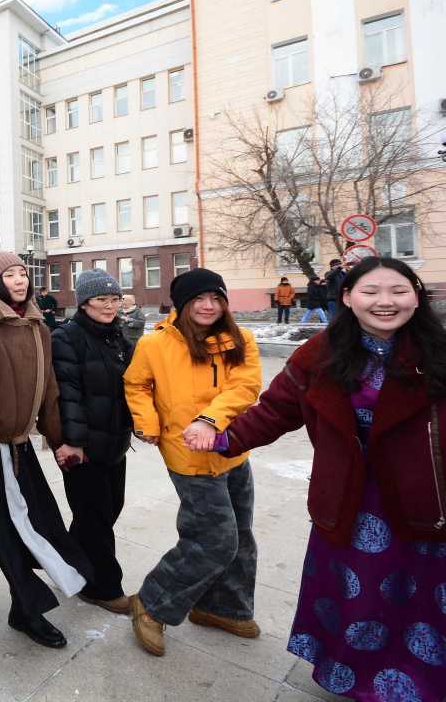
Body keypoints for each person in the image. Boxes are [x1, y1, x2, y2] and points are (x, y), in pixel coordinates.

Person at [190, 257, 446, 701]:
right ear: (347, 296)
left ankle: (421, 683)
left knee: (422, 600)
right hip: (349, 497)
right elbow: (275, 411)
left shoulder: (438, 352)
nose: (385, 302)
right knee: (358, 597)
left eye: (399, 291)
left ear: (416, 296)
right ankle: (356, 681)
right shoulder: (320, 355)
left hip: (425, 499)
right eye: (370, 291)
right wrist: (222, 438)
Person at [0, 251, 93, 650]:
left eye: (23, 273)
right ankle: (26, 609)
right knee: (17, 525)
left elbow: (49, 392)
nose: (20, 280)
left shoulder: (38, 327)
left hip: (20, 446)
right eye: (10, 275)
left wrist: (59, 441)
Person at [122, 268, 263, 657]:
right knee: (214, 540)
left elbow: (245, 386)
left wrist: (210, 420)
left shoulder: (240, 340)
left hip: (232, 450)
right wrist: (147, 423)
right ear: (182, 304)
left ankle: (221, 607)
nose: (208, 306)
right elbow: (136, 384)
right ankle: (151, 604)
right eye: (199, 298)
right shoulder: (154, 344)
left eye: (216, 298)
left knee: (241, 536)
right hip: (187, 455)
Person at [50, 269, 135, 616]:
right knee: (95, 518)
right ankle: (103, 588)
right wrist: (73, 442)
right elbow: (67, 393)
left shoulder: (117, 337)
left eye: (115, 299)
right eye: (101, 299)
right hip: (82, 448)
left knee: (107, 510)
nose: (110, 306)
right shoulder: (65, 337)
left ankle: (70, 560)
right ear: (84, 303)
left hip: (114, 442)